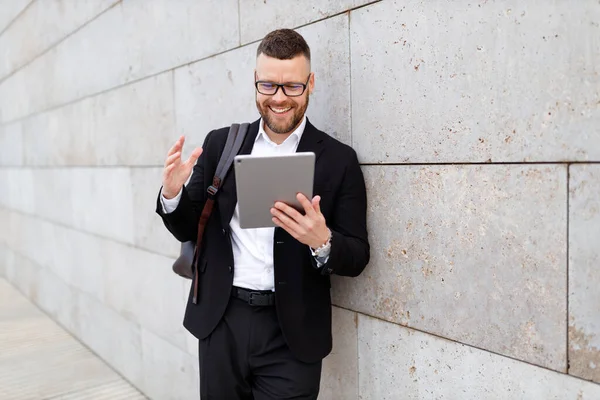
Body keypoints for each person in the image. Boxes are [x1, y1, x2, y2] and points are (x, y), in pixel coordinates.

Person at [156, 28, 370, 400]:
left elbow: (357, 255)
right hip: (222, 320)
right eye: (269, 86)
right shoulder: (222, 143)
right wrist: (172, 194)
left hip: (293, 332)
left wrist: (323, 242)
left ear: (311, 83)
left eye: (292, 87)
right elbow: (187, 226)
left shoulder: (339, 160)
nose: (280, 99)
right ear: (256, 82)